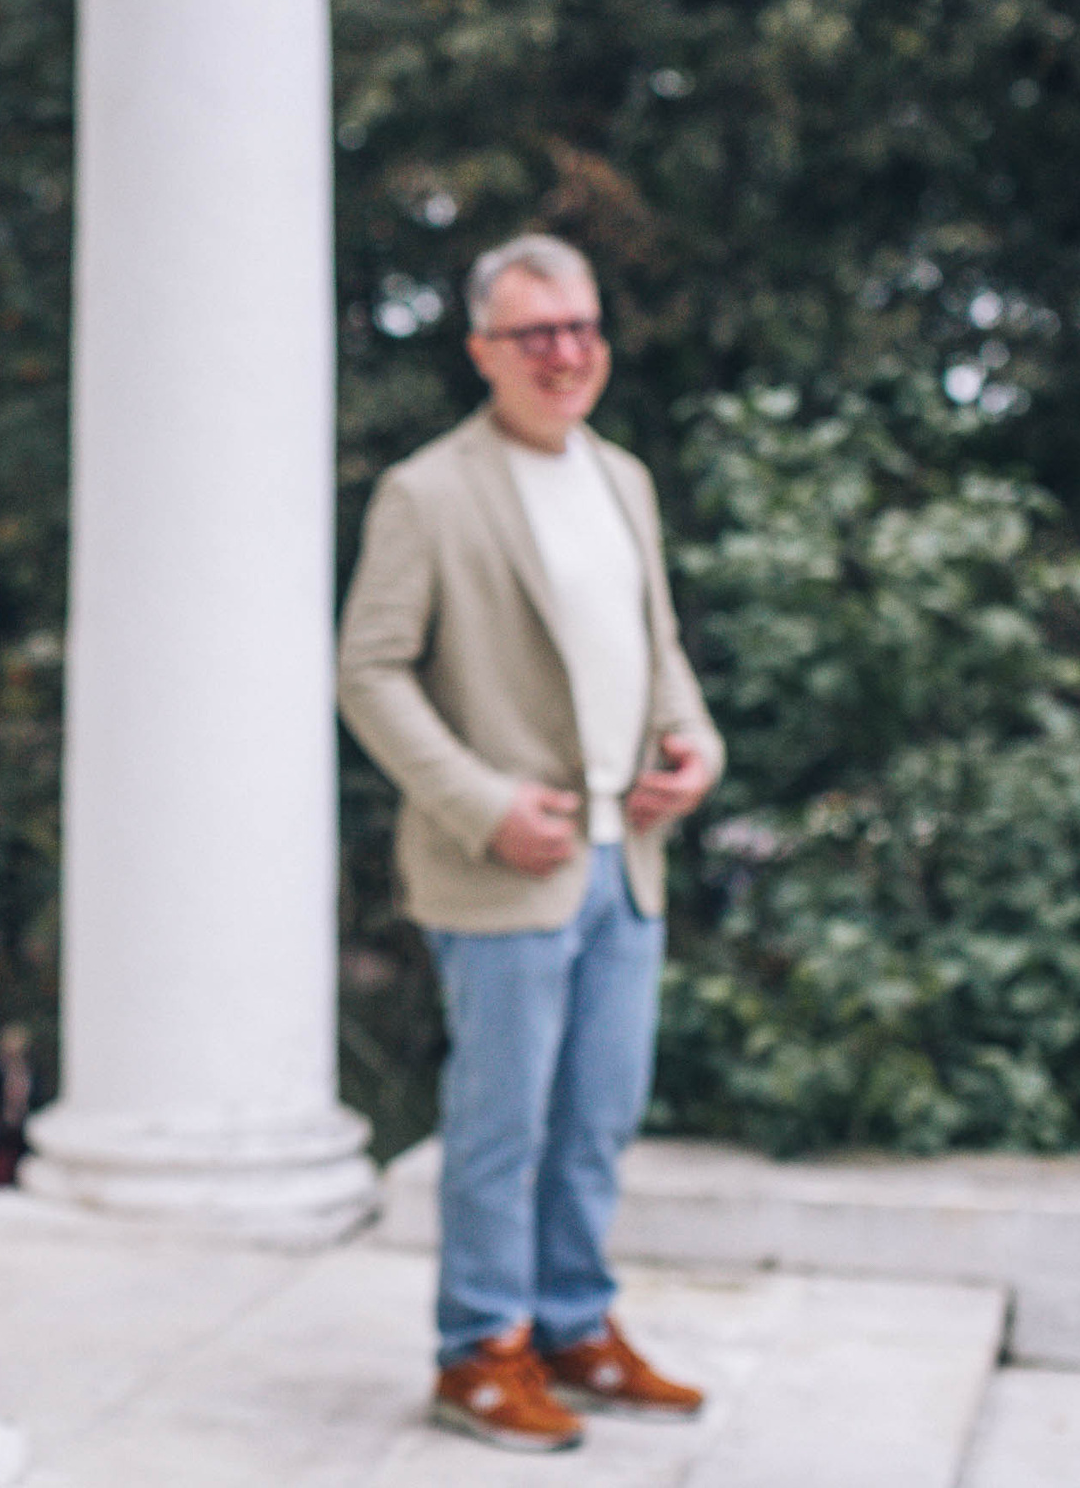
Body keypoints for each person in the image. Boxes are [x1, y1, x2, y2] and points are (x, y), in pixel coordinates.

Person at [336, 233, 722, 1453]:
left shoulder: (624, 479)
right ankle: (480, 1353)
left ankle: (572, 1325)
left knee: (598, 1114)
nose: (565, 352)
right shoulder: (429, 491)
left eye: (581, 328)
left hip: (628, 859)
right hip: (504, 863)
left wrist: (693, 739)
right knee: (501, 1123)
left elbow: (652, 647)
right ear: (483, 352)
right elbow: (369, 671)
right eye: (534, 333)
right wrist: (479, 801)